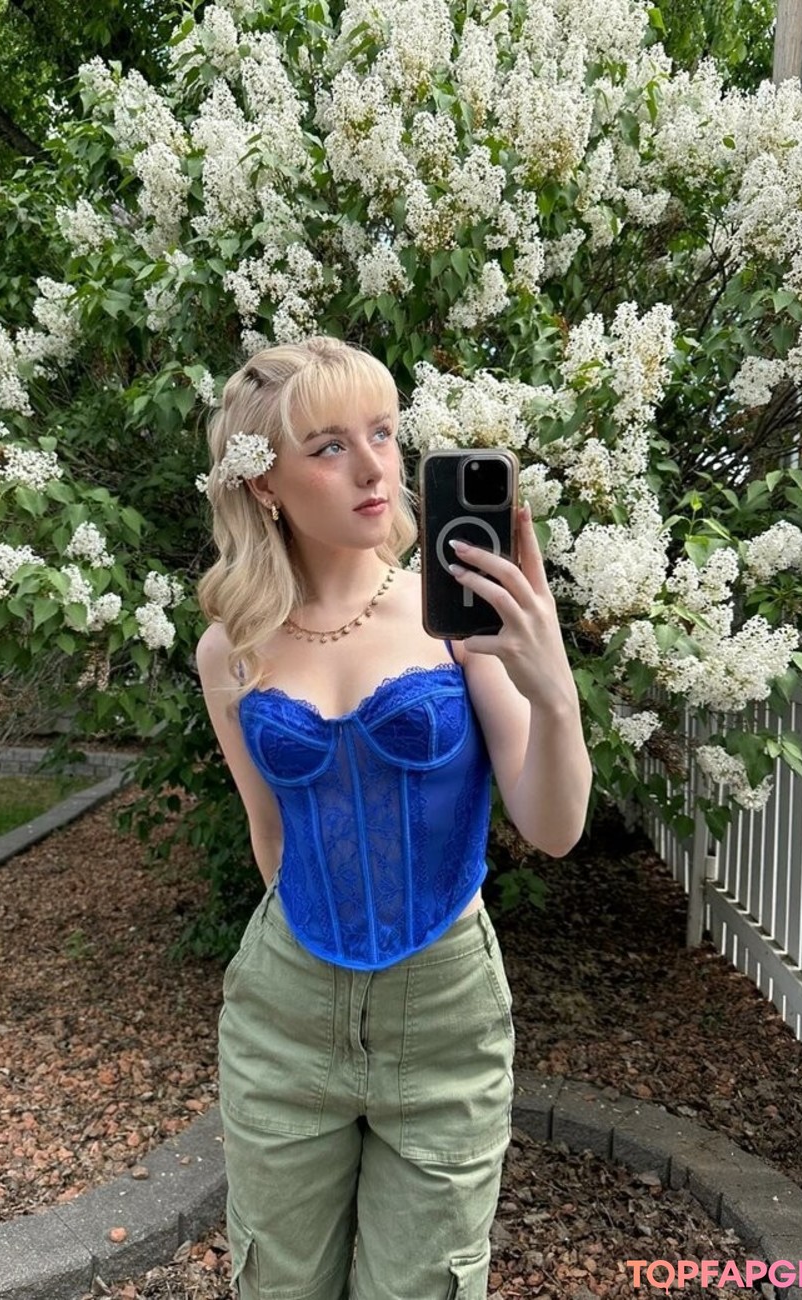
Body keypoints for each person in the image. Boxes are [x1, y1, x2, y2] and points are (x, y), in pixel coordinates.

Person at [195, 336, 591, 1300]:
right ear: (264, 485)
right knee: (276, 1282)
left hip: (444, 1010)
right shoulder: (231, 650)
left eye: (382, 433)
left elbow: (552, 828)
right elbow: (270, 835)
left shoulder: (454, 622)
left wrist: (555, 692)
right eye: (330, 446)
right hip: (286, 1005)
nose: (375, 468)